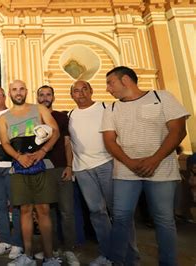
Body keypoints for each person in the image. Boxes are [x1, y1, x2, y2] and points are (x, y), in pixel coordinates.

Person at [102, 66, 189, 266]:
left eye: (110, 83)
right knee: (121, 217)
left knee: (164, 220)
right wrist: (130, 162)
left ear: (125, 80)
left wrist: (154, 159)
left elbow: (177, 131)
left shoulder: (162, 97)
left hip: (161, 171)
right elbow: (110, 141)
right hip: (125, 172)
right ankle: (120, 261)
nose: (108, 88)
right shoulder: (112, 108)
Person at [0, 80, 60, 266]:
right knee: (24, 210)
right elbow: (5, 143)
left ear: (26, 91)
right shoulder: (4, 118)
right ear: (10, 93)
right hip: (19, 166)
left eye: (21, 89)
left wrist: (42, 151)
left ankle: (49, 257)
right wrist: (19, 157)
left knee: (43, 210)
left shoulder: (39, 108)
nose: (18, 92)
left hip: (41, 164)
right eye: (14, 89)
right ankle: (27, 255)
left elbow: (55, 131)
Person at [67, 80, 115, 265]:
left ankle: (124, 253)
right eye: (76, 91)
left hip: (107, 164)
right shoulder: (70, 115)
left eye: (84, 89)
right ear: (72, 95)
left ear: (91, 91)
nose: (80, 94)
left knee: (117, 212)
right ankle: (106, 253)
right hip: (82, 169)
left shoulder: (106, 107)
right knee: (97, 212)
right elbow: (69, 143)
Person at [37, 85, 79, 266]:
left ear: (53, 97)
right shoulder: (33, 118)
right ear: (37, 97)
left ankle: (69, 250)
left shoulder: (61, 117)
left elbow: (67, 143)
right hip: (40, 170)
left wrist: (69, 166)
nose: (45, 97)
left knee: (67, 211)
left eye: (48, 94)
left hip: (60, 167)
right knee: (47, 213)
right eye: (41, 95)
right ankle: (51, 248)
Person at [0, 86, 23, 259]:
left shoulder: (13, 114)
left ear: (4, 96)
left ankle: (17, 243)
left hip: (11, 165)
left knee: (16, 205)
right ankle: (4, 240)